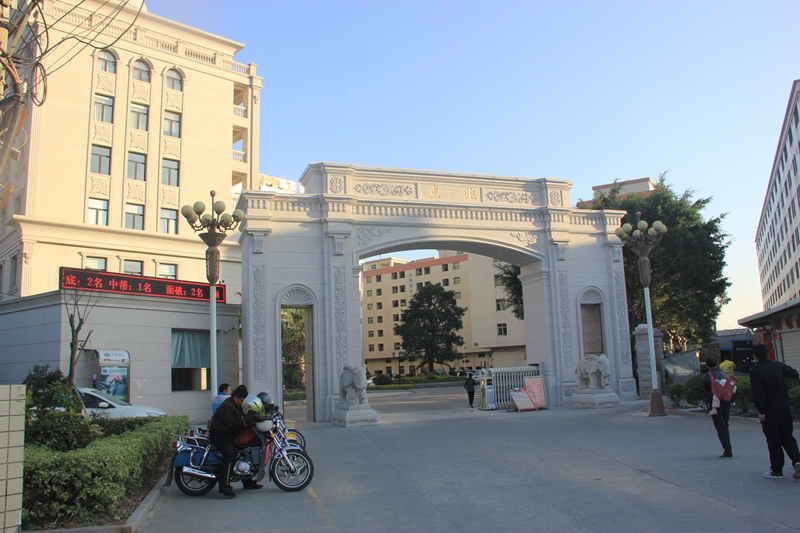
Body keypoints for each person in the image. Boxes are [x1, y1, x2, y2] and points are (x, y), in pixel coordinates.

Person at [749, 343, 800, 480]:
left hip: (770, 410)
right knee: (787, 436)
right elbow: (795, 374)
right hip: (784, 407)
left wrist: (762, 411)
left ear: (755, 356)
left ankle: (776, 470)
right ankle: (797, 461)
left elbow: (758, 393)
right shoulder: (777, 365)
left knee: (773, 439)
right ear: (767, 354)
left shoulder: (756, 371)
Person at [208, 385, 263, 496]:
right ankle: (224, 485)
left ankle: (247, 481)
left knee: (245, 451)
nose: (242, 403)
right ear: (235, 397)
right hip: (220, 434)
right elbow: (234, 424)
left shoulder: (237, 406)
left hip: (230, 433)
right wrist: (250, 418)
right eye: (241, 400)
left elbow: (244, 418)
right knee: (231, 454)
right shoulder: (227, 407)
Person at [702, 358, 733, 458]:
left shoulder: (708, 375)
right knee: (725, 425)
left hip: (716, 403)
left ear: (707, 365)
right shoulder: (724, 374)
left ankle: (727, 450)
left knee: (720, 427)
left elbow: (706, 388)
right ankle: (728, 447)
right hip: (726, 401)